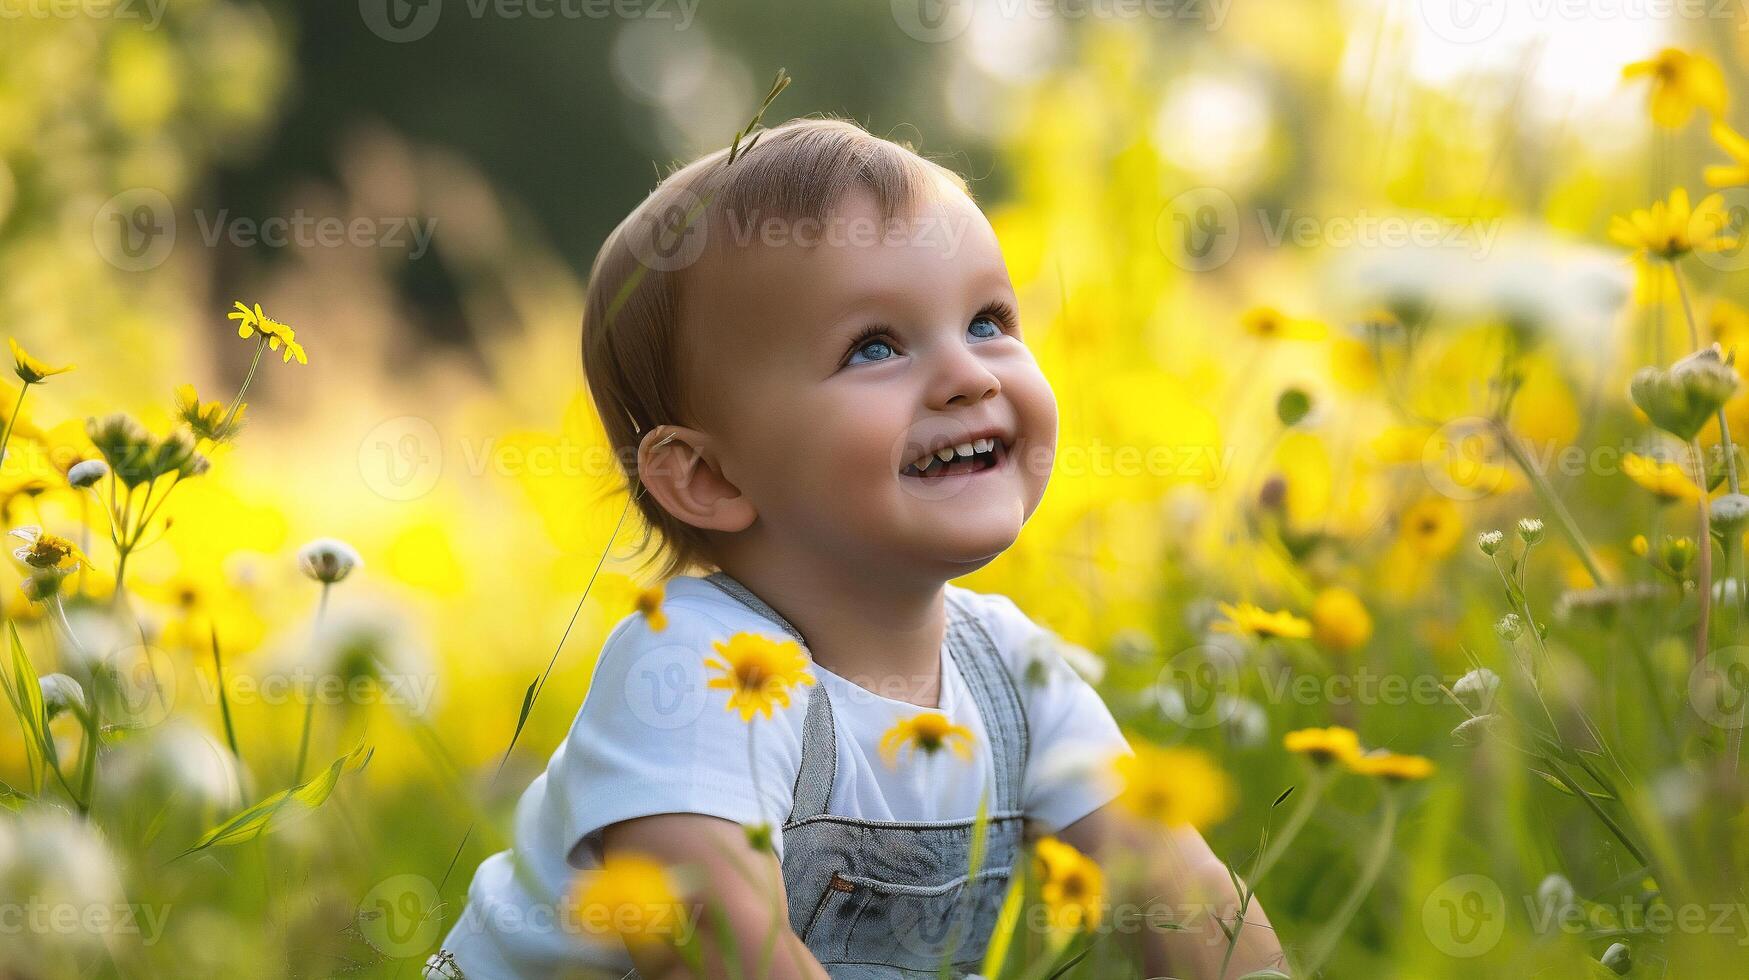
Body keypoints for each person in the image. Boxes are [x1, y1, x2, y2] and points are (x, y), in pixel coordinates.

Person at [431, 116, 1283, 979]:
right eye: (873, 346)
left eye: (988, 321)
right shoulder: (693, 668)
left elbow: (1185, 895)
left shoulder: (1016, 674)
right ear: (708, 477)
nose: (970, 374)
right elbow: (714, 940)